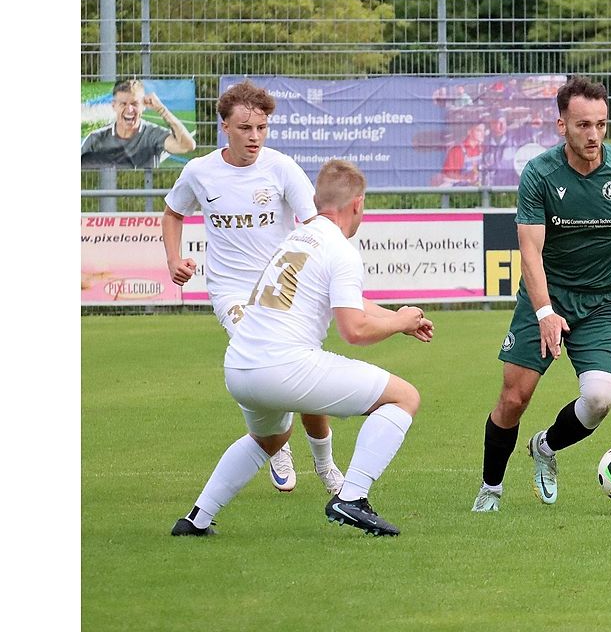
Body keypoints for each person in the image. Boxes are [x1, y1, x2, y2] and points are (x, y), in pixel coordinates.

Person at [171, 159, 434, 537]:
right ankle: (352, 498)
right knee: (404, 397)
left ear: (315, 199)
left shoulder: (296, 238)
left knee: (271, 439)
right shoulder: (341, 250)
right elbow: (354, 330)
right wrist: (400, 323)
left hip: (241, 368)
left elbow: (347, 300)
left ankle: (196, 519)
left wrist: (398, 317)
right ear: (358, 204)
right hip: (284, 366)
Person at [471, 76, 611, 512]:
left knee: (599, 399)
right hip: (548, 296)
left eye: (600, 124)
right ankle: (491, 489)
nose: (593, 134)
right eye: (583, 125)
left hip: (603, 302)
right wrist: (544, 311)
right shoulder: (540, 175)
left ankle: (546, 447)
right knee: (514, 398)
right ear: (561, 125)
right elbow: (530, 250)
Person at [161, 80, 343, 497]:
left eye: (261, 127)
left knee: (305, 371)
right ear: (224, 126)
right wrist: (175, 260)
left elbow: (315, 225)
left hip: (285, 289)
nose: (255, 137)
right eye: (245, 128)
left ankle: (325, 462)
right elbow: (173, 213)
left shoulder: (280, 168)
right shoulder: (200, 172)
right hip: (231, 292)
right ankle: (277, 444)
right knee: (259, 357)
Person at [81, 79, 196, 169]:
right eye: (123, 104)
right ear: (114, 106)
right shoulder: (95, 138)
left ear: (143, 106)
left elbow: (187, 146)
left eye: (134, 104)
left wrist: (162, 109)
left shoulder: (153, 134)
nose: (129, 109)